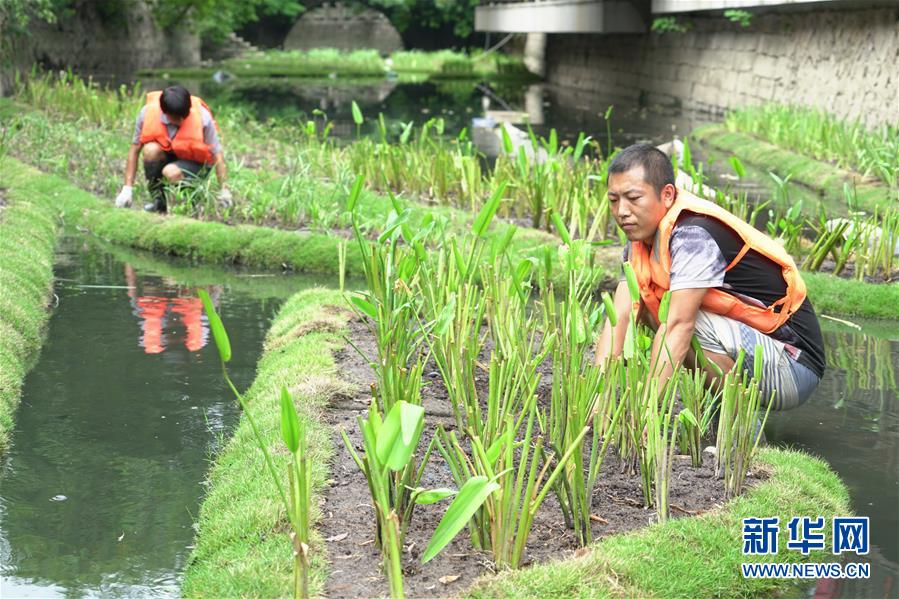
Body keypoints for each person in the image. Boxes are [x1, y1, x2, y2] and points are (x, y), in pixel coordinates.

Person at [594, 144, 825, 411]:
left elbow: (678, 326)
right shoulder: (639, 241)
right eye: (613, 200)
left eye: (633, 198)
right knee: (650, 305)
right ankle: (722, 404)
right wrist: (597, 401)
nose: (621, 210)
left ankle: (740, 420)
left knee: (681, 319)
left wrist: (645, 415)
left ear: (667, 195)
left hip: (793, 366)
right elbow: (619, 318)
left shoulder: (693, 235)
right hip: (756, 351)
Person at [115, 85, 231, 213]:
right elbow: (134, 150)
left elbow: (217, 155)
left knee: (170, 172)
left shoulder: (203, 117)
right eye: (176, 117)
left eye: (184, 116)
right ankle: (159, 202)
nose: (181, 121)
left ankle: (191, 203)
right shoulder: (147, 114)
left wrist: (224, 189)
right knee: (150, 150)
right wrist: (127, 189)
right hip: (169, 157)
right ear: (165, 113)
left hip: (197, 164)